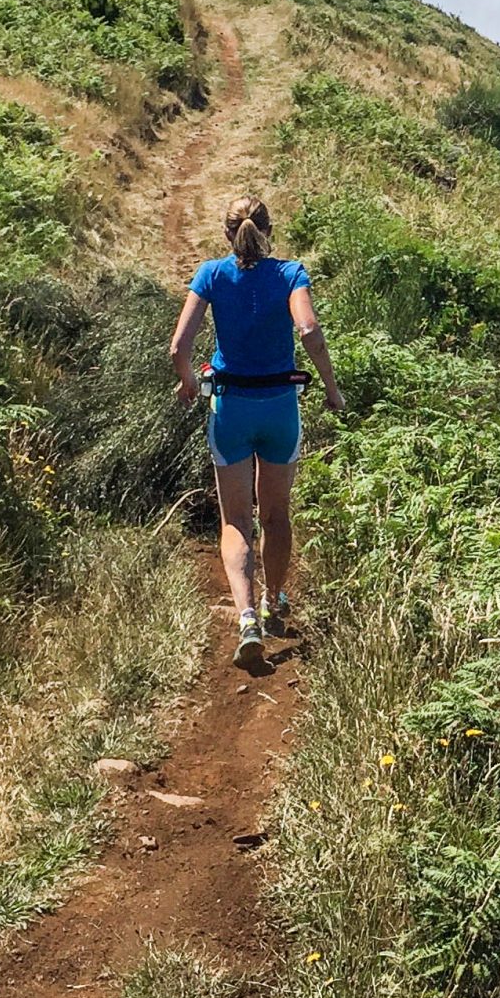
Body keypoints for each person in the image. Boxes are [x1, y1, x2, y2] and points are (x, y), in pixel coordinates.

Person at [169, 197, 344, 668]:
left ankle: (246, 619)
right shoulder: (290, 274)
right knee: (276, 515)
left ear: (228, 234)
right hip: (279, 408)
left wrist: (189, 381)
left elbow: (179, 346)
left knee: (235, 522)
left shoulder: (210, 274)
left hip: (231, 408)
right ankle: (275, 601)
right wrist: (331, 388)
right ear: (270, 231)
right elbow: (308, 330)